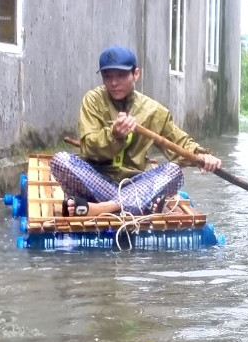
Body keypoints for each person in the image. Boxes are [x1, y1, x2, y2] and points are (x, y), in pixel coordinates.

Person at [50, 45, 222, 217]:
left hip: (135, 183)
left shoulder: (154, 110)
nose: (114, 82)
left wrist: (202, 155)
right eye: (107, 76)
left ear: (136, 74)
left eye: (121, 75)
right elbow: (89, 147)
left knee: (173, 171)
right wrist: (114, 136)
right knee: (60, 161)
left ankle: (102, 209)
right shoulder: (93, 100)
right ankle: (140, 205)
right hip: (96, 180)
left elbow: (179, 143)